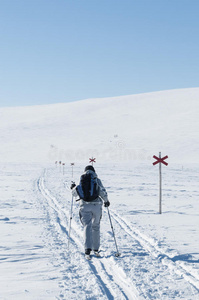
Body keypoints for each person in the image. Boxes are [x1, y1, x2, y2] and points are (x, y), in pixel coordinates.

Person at [71, 165, 110, 258]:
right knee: (96, 226)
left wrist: (73, 188)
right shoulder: (96, 179)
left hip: (84, 206)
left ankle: (87, 249)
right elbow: (102, 191)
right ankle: (96, 249)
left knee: (87, 226)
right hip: (96, 206)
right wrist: (106, 201)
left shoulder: (82, 179)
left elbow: (75, 193)